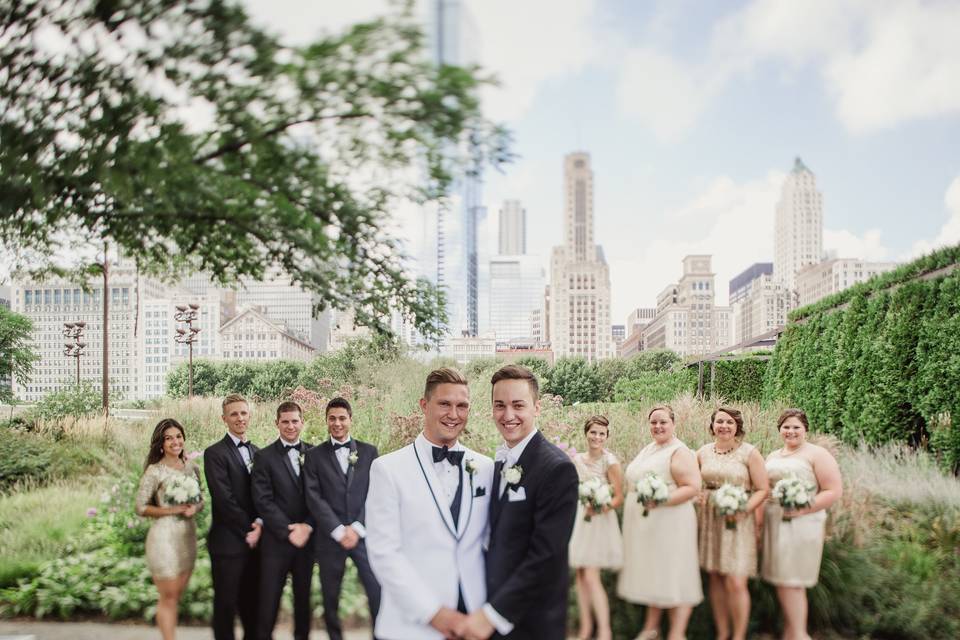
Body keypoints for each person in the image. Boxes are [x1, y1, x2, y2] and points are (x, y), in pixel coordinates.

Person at [365, 367, 494, 639]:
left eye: (462, 406)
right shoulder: (387, 469)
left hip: (472, 623)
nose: (454, 414)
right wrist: (433, 613)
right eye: (444, 404)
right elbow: (383, 552)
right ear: (424, 405)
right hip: (410, 625)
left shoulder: (486, 468)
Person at [458, 364, 579, 640]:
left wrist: (492, 614)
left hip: (530, 621)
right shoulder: (499, 460)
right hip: (495, 612)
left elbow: (546, 557)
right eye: (499, 405)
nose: (507, 415)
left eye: (518, 405)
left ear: (536, 408)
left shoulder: (557, 469)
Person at [617, 405, 702, 640]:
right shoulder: (649, 448)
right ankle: (651, 628)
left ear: (674, 423)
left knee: (676, 572)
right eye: (653, 422)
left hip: (672, 523)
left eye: (663, 422)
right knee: (656, 573)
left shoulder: (679, 451)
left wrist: (661, 500)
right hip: (649, 526)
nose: (658, 426)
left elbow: (693, 488)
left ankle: (677, 633)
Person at [303, 397, 381, 640]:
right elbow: (313, 496)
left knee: (376, 590)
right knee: (330, 596)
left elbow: (377, 492)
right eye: (332, 418)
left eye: (342, 418)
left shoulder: (369, 452)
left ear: (350, 420)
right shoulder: (313, 455)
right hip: (330, 537)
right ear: (326, 421)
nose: (337, 423)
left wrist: (357, 527)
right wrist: (337, 529)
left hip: (363, 535)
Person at [762, 409, 842, 640]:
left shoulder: (818, 454)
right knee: (780, 578)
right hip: (774, 521)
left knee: (793, 580)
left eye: (796, 427)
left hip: (804, 522)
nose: (791, 431)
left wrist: (801, 508)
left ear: (805, 429)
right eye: (786, 427)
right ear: (780, 430)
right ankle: (789, 632)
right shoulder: (773, 455)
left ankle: (799, 635)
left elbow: (833, 491)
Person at [696, 407, 768, 640]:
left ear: (738, 426)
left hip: (738, 521)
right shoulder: (702, 452)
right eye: (719, 421)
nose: (724, 426)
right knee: (716, 576)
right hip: (710, 520)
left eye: (729, 422)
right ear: (712, 425)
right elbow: (694, 482)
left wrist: (743, 510)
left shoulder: (749, 453)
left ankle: (738, 636)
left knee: (736, 580)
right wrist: (698, 495)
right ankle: (722, 633)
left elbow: (763, 489)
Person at [251, 401, 315, 640]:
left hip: (306, 542)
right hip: (276, 542)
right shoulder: (263, 457)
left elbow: (320, 497)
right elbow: (263, 500)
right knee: (268, 600)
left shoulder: (315, 454)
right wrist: (288, 530)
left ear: (302, 422)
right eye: (285, 421)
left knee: (303, 600)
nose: (290, 426)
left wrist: (307, 526)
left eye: (294, 421)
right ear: (276, 423)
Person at [135, 418, 204, 640]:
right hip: (164, 538)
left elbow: (200, 498)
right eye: (168, 438)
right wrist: (171, 511)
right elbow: (140, 507)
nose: (175, 441)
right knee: (168, 597)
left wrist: (195, 508)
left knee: (177, 595)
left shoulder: (192, 467)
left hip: (187, 537)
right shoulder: (155, 471)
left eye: (178, 436)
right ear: (160, 444)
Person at [204, 394, 262, 640]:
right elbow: (223, 498)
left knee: (252, 605)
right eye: (234, 414)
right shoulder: (214, 453)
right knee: (225, 606)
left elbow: (264, 496)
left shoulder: (259, 452)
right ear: (224, 419)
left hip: (256, 544)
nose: (240, 418)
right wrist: (249, 528)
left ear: (249, 416)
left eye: (243, 413)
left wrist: (260, 526)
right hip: (228, 543)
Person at [569, 415, 624, 640]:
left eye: (602, 433)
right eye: (593, 432)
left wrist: (600, 507)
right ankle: (585, 628)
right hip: (580, 519)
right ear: (586, 433)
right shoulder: (576, 459)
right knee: (580, 576)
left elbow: (619, 496)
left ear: (607, 436)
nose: (597, 437)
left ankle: (604, 631)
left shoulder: (609, 461)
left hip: (600, 520)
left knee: (592, 576)